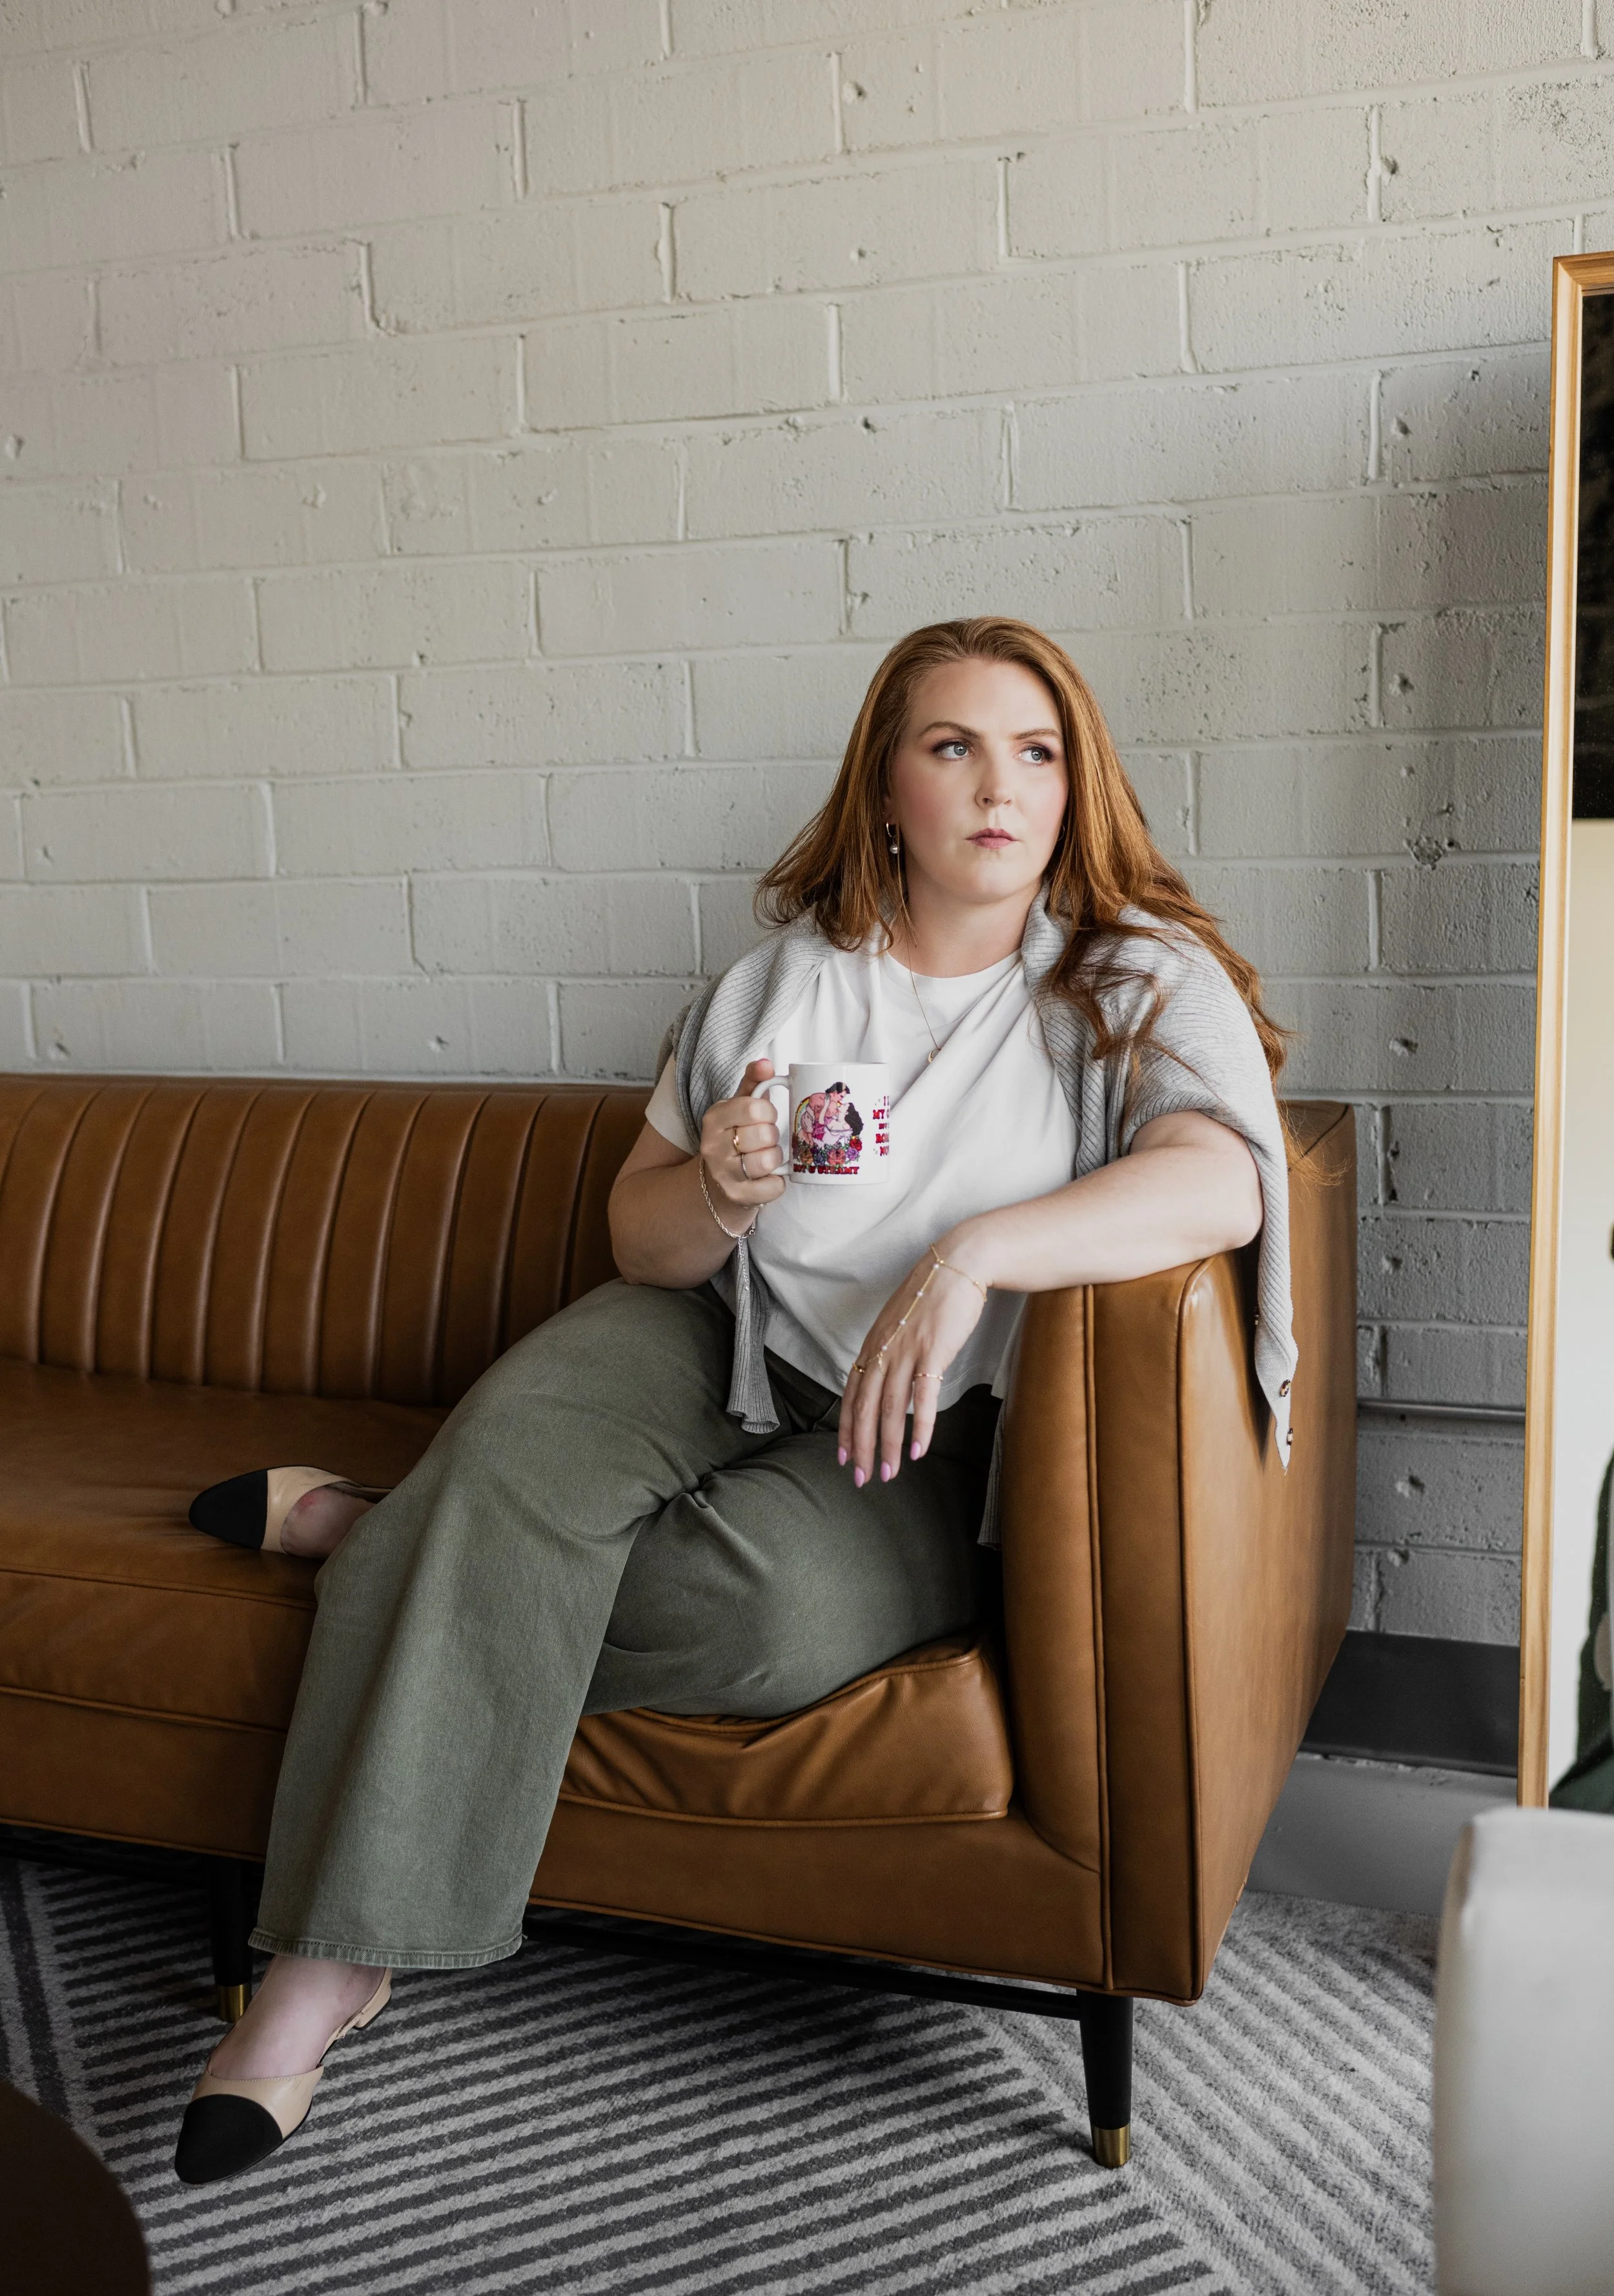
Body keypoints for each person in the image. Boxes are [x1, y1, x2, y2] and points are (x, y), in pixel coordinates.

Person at [170, 616, 1292, 2186]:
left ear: (1075, 779)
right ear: (884, 783)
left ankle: (379, 1534)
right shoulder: (780, 978)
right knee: (511, 1450)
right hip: (715, 1333)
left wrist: (976, 1254)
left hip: (922, 1424)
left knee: (741, 1613)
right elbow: (638, 1236)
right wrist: (714, 1185)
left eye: (1033, 749)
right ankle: (325, 1968)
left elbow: (1221, 1182)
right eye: (951, 745)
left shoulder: (1128, 978)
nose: (997, 784)